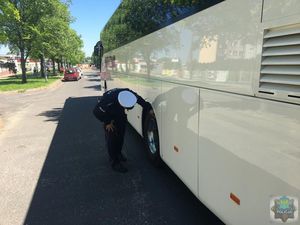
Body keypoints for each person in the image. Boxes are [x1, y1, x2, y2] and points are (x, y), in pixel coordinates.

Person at [94, 88, 149, 173]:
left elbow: (140, 101)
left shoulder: (129, 93)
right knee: (112, 140)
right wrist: (107, 122)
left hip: (119, 114)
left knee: (121, 136)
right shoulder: (108, 100)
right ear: (121, 102)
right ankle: (114, 162)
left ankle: (118, 154)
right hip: (109, 116)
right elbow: (96, 112)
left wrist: (149, 109)